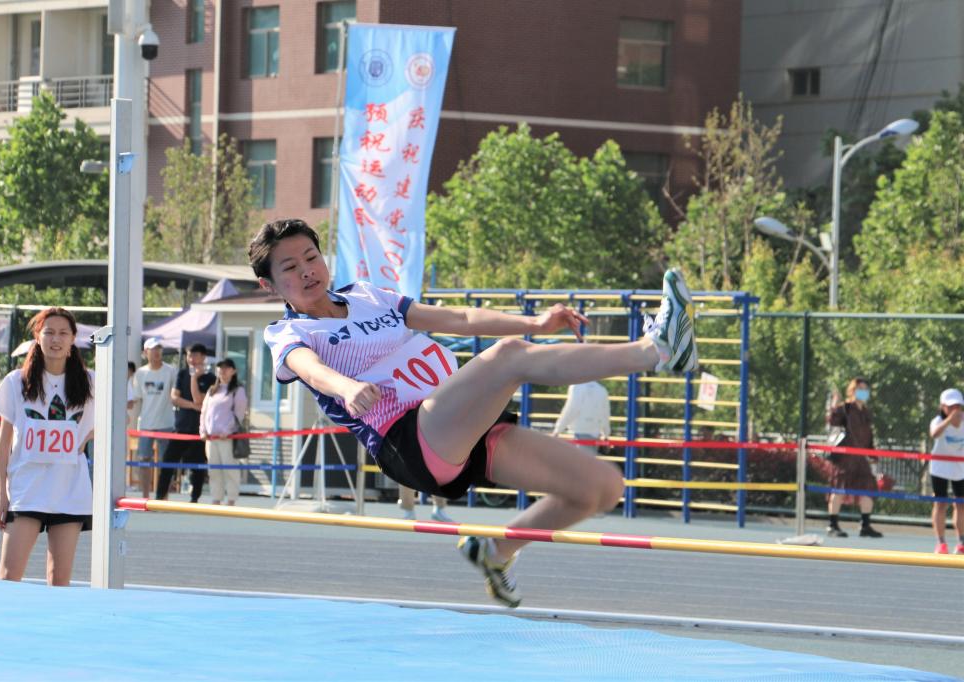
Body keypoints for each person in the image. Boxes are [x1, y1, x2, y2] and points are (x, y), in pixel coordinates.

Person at [252, 219, 697, 607]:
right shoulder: (289, 331)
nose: (306, 270)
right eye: (289, 267)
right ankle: (656, 350)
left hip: (466, 427)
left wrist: (536, 323)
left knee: (599, 487)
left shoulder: (368, 295)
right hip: (411, 440)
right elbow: (308, 368)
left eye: (311, 257)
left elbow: (459, 318)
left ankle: (496, 553)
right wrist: (346, 387)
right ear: (269, 285)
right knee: (509, 356)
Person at [0, 308, 95, 586]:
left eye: (63, 333)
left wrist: (84, 438)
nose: (56, 339)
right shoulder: (16, 381)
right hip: (26, 490)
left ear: (73, 338)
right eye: (49, 332)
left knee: (59, 579)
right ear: (37, 337)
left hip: (69, 490)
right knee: (9, 575)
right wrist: (1, 494)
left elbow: (117, 420)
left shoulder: (91, 382)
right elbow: (4, 441)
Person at [155, 342, 214, 502]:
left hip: (199, 430)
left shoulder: (211, 378)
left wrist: (194, 378)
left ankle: (194, 499)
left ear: (203, 357)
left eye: (195, 355)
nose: (191, 359)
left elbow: (200, 400)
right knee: (167, 462)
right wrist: (192, 406)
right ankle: (160, 497)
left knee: (197, 467)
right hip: (180, 428)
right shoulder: (181, 374)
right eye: (189, 355)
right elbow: (174, 398)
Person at [826, 378, 883, 538]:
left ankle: (865, 525)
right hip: (844, 457)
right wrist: (834, 405)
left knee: (868, 488)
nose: (863, 392)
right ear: (852, 391)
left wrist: (872, 454)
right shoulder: (845, 408)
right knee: (839, 488)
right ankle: (833, 525)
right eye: (860, 388)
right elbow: (832, 421)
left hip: (860, 458)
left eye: (866, 389)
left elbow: (868, 435)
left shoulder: (865, 412)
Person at [199, 358, 248, 506]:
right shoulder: (212, 390)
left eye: (226, 368)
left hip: (227, 438)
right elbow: (204, 412)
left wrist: (228, 431)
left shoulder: (238, 390)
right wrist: (203, 430)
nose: (223, 371)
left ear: (233, 371)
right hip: (211, 438)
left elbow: (239, 415)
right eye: (220, 368)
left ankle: (231, 499)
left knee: (230, 469)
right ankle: (216, 498)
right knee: (213, 470)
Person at [133, 338, 177, 499]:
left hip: (166, 423)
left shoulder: (171, 371)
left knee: (166, 463)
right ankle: (145, 496)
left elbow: (176, 395)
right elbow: (136, 399)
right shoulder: (140, 373)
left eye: (159, 348)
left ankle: (163, 497)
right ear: (146, 352)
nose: (157, 352)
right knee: (144, 460)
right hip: (146, 424)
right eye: (153, 349)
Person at [928, 388, 964, 554]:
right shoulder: (937, 421)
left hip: (960, 467)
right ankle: (941, 542)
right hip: (940, 467)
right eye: (951, 406)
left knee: (961, 504)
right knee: (940, 503)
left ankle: (961, 542)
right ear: (943, 406)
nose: (955, 409)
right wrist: (949, 420)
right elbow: (934, 434)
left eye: (958, 406)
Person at [551, 380, 611, 453]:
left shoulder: (577, 387)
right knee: (588, 459)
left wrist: (557, 430)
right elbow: (605, 414)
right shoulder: (602, 390)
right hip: (595, 434)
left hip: (578, 432)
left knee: (576, 459)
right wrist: (606, 435)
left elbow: (571, 410)